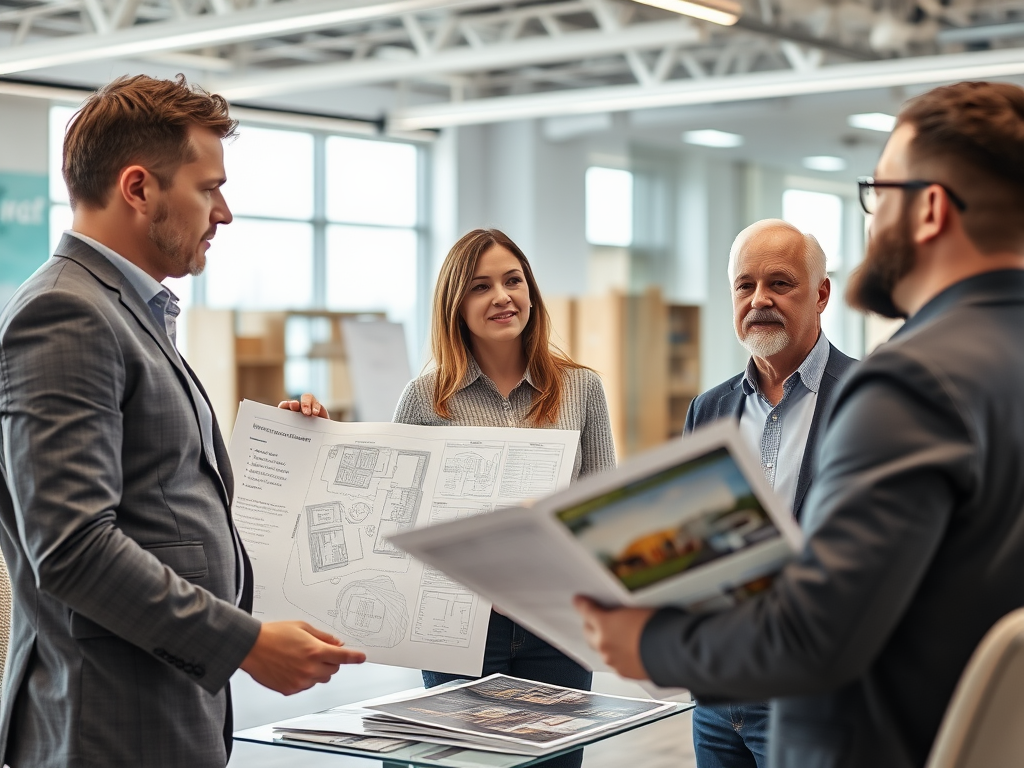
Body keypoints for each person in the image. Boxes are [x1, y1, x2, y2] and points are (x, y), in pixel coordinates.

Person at [575, 79, 1024, 768]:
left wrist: (648, 643)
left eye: (880, 195)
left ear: (930, 209)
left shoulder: (907, 382)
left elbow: (816, 636)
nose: (873, 222)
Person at [0, 74, 365, 768]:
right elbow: (72, 547)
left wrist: (282, 458)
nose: (222, 212)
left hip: (156, 706)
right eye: (208, 188)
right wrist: (246, 643)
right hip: (107, 723)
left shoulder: (128, 310)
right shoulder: (66, 314)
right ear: (139, 189)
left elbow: (156, 492)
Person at [393, 228, 616, 695]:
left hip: (558, 625)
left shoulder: (582, 389)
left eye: (513, 281)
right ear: (455, 302)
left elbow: (603, 511)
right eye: (480, 286)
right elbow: (398, 519)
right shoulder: (424, 398)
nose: (502, 296)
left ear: (531, 293)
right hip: (457, 626)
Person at [684, 220, 855, 768]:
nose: (759, 300)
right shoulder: (708, 410)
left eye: (780, 283)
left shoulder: (872, 400)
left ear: (821, 293)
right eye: (745, 285)